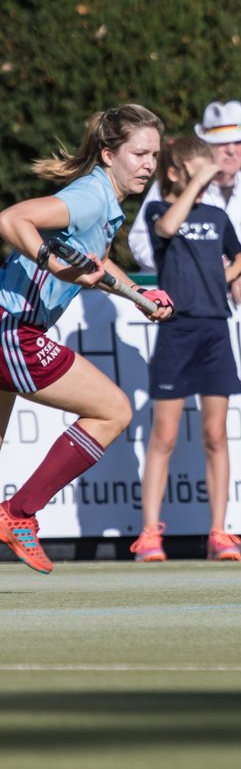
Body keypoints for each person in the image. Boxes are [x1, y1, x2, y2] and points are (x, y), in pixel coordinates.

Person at [0, 105, 174, 573]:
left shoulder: (105, 204)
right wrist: (50, 261)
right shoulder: (91, 197)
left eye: (154, 155)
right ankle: (17, 514)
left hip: (9, 327)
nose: (148, 165)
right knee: (114, 409)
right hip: (12, 329)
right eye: (139, 153)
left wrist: (138, 295)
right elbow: (11, 218)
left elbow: (94, 261)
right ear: (108, 153)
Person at [129, 136, 241, 562]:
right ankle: (149, 535)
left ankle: (219, 532)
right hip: (176, 332)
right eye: (196, 168)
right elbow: (164, 231)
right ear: (176, 173)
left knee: (215, 435)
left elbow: (239, 258)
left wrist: (228, 275)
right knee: (165, 435)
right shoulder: (161, 210)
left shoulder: (217, 216)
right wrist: (197, 183)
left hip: (215, 331)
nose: (208, 174)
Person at [127, 100, 241, 303]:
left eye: (240, 142)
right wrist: (191, 269)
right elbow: (140, 243)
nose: (232, 150)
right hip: (180, 303)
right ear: (206, 146)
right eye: (223, 143)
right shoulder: (171, 187)